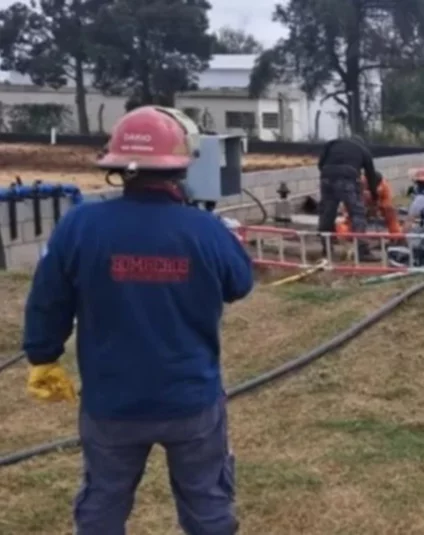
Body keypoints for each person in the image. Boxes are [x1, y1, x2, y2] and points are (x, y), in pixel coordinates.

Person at [22, 106, 253, 534]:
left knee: (103, 503)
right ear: (183, 164)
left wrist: (42, 356)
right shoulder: (206, 230)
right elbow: (240, 284)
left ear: (118, 166)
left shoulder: (79, 225)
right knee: (207, 503)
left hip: (112, 402)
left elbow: (47, 300)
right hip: (191, 401)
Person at [317, 134, 379, 259]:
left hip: (326, 176)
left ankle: (326, 249)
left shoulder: (333, 143)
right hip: (347, 179)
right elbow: (371, 175)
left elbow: (320, 164)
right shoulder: (363, 150)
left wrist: (330, 174)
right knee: (357, 213)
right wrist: (374, 195)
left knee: (327, 213)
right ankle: (362, 251)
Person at [336, 171, 401, 236]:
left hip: (377, 206)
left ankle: (396, 236)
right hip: (358, 208)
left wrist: (378, 206)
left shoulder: (383, 186)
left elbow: (387, 202)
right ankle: (355, 235)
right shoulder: (356, 184)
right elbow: (349, 202)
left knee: (390, 210)